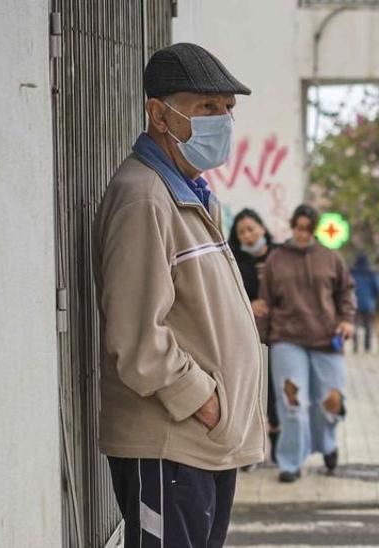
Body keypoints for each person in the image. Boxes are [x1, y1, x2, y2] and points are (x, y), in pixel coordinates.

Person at [93, 42, 263, 548]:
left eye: (228, 108)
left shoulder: (189, 194)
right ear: (159, 115)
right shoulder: (144, 196)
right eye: (206, 107)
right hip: (170, 444)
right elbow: (137, 336)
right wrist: (203, 401)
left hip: (201, 445)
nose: (223, 119)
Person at [260, 205, 356, 483]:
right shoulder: (276, 260)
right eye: (298, 227)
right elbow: (266, 301)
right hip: (287, 338)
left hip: (327, 338)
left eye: (308, 228)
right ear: (292, 226)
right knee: (293, 402)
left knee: (330, 400)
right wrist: (262, 337)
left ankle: (327, 444)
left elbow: (346, 292)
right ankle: (291, 461)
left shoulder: (330, 258)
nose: (302, 233)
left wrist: (347, 320)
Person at [227, 208, 280, 462]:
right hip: (249, 337)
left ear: (262, 227)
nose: (247, 235)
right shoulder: (233, 261)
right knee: (255, 392)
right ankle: (250, 451)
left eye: (251, 229)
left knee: (279, 392)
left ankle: (278, 443)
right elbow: (227, 295)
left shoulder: (280, 256)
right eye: (241, 232)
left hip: (282, 334)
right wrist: (251, 304)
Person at [350, 253, 379, 353]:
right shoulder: (372, 273)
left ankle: (355, 344)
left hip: (354, 301)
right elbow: (377, 287)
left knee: (354, 323)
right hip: (369, 302)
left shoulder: (352, 272)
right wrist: (373, 297)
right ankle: (367, 346)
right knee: (368, 325)